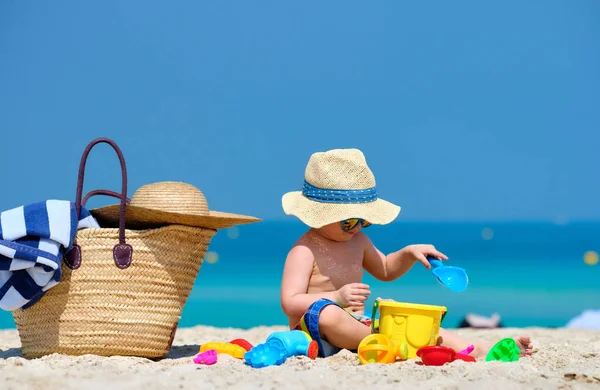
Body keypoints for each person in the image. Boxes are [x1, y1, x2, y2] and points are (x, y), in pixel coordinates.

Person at [279, 148, 533, 359]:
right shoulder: (304, 251)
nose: (356, 228)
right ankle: (394, 343)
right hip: (314, 333)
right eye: (348, 222)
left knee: (410, 318)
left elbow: (386, 269)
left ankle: (482, 349)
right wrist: (335, 296)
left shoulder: (359, 241)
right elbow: (289, 302)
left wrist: (409, 253)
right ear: (320, 214)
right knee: (329, 313)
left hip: (358, 327)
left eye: (364, 221)